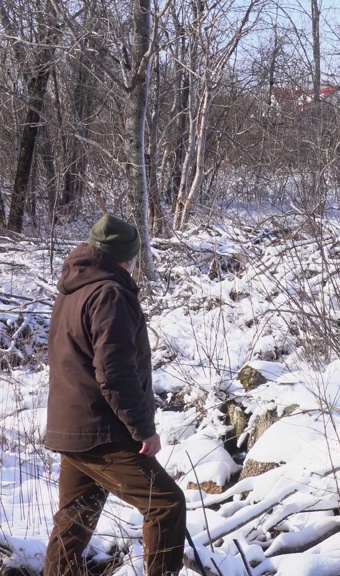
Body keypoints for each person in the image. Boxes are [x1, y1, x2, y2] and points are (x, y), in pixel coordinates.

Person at [44, 215, 186, 576]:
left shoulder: (73, 288)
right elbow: (115, 372)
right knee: (165, 505)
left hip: (71, 426)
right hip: (99, 430)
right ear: (127, 257)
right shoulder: (110, 294)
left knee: (75, 519)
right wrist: (142, 429)